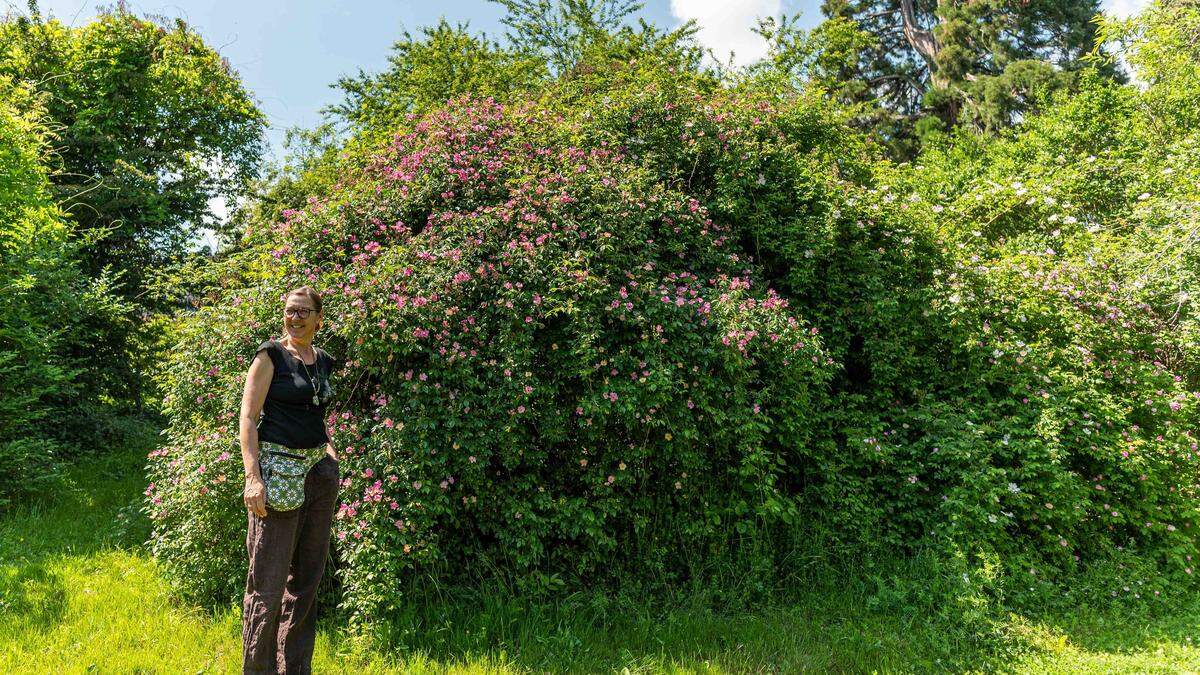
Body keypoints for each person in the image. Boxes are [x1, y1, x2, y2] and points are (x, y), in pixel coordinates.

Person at [238, 286, 339, 674]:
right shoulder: (271, 356)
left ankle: (294, 669)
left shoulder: (323, 360)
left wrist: (329, 449)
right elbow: (248, 418)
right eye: (289, 311)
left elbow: (316, 413)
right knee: (268, 583)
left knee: (306, 582)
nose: (294, 318)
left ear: (318, 319)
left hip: (318, 475)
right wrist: (253, 477)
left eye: (303, 312)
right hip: (277, 474)